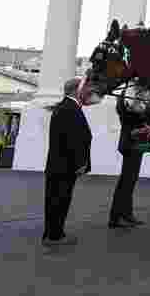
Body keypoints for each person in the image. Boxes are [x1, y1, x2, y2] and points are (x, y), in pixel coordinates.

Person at [42, 77, 92, 249]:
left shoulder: (66, 106)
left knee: (55, 200)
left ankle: (52, 233)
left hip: (60, 164)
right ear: (76, 90)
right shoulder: (69, 108)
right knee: (59, 200)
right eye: (84, 88)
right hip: (65, 165)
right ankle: (55, 236)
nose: (87, 91)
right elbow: (73, 140)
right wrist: (80, 163)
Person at [108, 96, 148, 228]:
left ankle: (125, 214)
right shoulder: (129, 113)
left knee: (129, 182)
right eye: (140, 102)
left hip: (134, 147)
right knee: (126, 183)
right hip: (132, 147)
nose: (142, 104)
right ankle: (116, 218)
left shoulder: (130, 113)